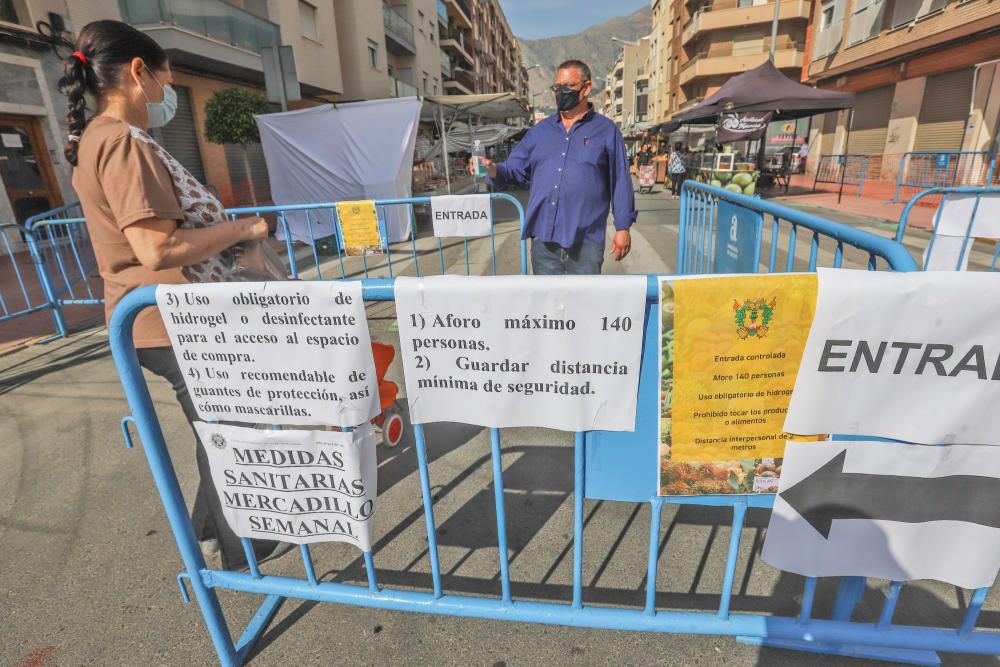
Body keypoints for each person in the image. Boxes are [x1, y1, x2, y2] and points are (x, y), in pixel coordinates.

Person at [60, 20, 287, 571]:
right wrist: (243, 230)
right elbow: (155, 248)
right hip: (172, 320)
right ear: (139, 73)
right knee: (228, 432)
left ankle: (207, 534)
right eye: (166, 80)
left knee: (215, 427)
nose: (168, 95)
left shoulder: (101, 139)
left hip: (167, 317)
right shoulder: (120, 141)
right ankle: (242, 554)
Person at [473, 59, 636, 275]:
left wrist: (622, 227)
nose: (560, 92)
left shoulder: (606, 130)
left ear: (586, 88)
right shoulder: (539, 132)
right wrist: (493, 169)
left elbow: (620, 180)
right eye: (557, 87)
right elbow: (514, 169)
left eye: (568, 87)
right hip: (544, 241)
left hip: (585, 242)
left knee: (583, 305)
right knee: (547, 306)